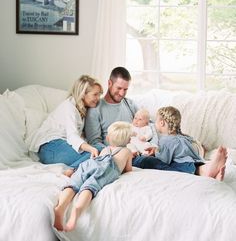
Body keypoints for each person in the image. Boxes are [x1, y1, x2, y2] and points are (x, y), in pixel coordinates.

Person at [85, 67, 227, 178]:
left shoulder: (129, 104)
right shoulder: (96, 109)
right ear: (109, 83)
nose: (122, 93)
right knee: (155, 162)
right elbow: (94, 142)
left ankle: (205, 168)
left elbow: (149, 125)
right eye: (119, 88)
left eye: (126, 89)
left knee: (176, 150)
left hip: (143, 149)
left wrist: (156, 146)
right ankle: (203, 170)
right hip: (123, 153)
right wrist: (119, 152)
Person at [54, 121, 133, 232]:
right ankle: (78, 209)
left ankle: (61, 206)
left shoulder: (105, 149)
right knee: (90, 186)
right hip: (107, 169)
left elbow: (98, 162)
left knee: (74, 183)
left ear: (108, 138)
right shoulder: (127, 151)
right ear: (128, 140)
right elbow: (128, 170)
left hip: (90, 164)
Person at [34, 75, 103, 170]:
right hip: (50, 148)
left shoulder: (82, 109)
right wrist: (91, 149)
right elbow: (72, 136)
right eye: (95, 94)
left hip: (61, 146)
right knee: (99, 152)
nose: (98, 98)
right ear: (83, 94)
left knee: (104, 151)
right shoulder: (69, 107)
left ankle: (74, 169)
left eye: (99, 94)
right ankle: (72, 170)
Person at [152, 106, 225, 179]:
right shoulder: (184, 137)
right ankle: (214, 175)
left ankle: (206, 170)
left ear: (161, 123)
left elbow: (164, 160)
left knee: (186, 167)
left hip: (185, 164)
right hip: (197, 160)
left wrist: (156, 152)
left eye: (156, 120)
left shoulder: (165, 141)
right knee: (198, 166)